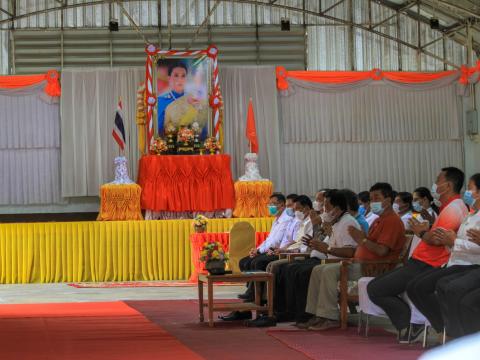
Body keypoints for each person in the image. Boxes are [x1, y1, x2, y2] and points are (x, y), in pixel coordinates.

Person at [367, 167, 468, 343]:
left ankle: (416, 326)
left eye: (438, 180)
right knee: (374, 286)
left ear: (448, 185)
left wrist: (421, 232)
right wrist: (425, 230)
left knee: (376, 289)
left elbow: (437, 240)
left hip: (429, 264)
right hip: (420, 261)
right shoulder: (448, 207)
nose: (435, 184)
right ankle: (409, 323)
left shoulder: (455, 207)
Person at [299, 183, 406, 331]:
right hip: (360, 263)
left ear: (388, 200)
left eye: (377, 198)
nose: (373, 201)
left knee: (328, 271)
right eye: (371, 198)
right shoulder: (379, 219)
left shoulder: (392, 221)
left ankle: (330, 317)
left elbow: (382, 251)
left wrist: (361, 239)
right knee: (318, 269)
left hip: (375, 268)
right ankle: (316, 315)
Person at [406, 174, 480, 339]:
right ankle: (445, 328)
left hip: (471, 264)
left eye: (470, 188)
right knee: (417, 286)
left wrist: (453, 241)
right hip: (456, 261)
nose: (466, 192)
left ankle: (457, 336)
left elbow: (474, 247)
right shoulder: (471, 215)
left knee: (451, 288)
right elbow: (460, 241)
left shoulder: (458, 208)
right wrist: (449, 241)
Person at [274, 190, 360, 324]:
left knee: (303, 272)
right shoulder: (336, 222)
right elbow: (328, 246)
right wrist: (317, 244)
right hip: (329, 260)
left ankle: (310, 315)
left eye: (326, 207)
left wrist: (326, 248)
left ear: (336, 208)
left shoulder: (348, 222)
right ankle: (299, 312)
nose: (324, 210)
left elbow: (350, 252)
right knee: (291, 269)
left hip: (344, 264)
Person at [157, 61, 188, 134]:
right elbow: (158, 129)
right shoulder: (161, 100)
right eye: (176, 75)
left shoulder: (192, 100)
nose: (180, 79)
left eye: (183, 76)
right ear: (169, 78)